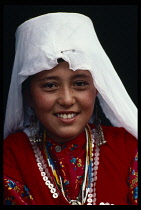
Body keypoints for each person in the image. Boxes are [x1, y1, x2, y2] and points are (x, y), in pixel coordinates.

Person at [3, 12, 138, 205]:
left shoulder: (127, 148)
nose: (67, 99)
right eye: (50, 85)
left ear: (97, 89)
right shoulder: (11, 156)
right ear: (28, 95)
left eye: (80, 84)